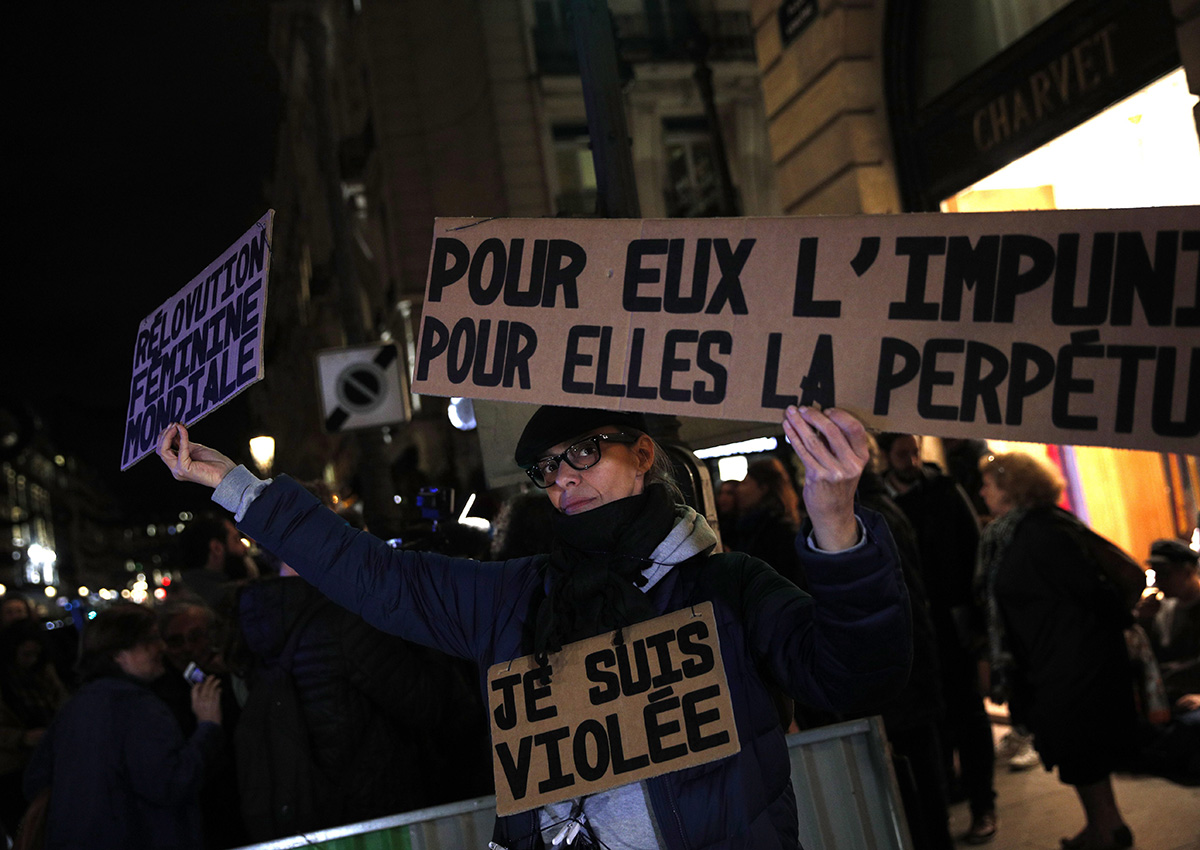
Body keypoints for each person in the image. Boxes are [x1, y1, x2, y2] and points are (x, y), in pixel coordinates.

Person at [157, 403, 912, 850]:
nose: (564, 478)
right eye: (547, 469)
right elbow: (379, 577)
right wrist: (238, 489)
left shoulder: (728, 587)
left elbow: (856, 674)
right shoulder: (517, 598)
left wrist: (835, 523)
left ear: (642, 453)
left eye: (583, 452)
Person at [977, 452, 1137, 850]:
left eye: (988, 484)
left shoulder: (1041, 532)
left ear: (1011, 488)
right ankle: (1104, 825)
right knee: (1078, 750)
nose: (981, 492)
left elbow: (1095, 591)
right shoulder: (1018, 532)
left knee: (1081, 748)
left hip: (1072, 662)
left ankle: (1107, 829)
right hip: (1057, 658)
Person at [877, 432, 998, 843]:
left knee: (968, 715)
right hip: (915, 628)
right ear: (885, 456)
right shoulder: (882, 502)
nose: (911, 461)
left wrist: (976, 620)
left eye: (915, 452)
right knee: (934, 724)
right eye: (902, 454)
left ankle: (983, 805)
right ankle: (951, 800)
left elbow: (971, 551)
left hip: (950, 622)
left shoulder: (944, 491)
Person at [24, 602, 224, 850]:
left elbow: (36, 780)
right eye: (149, 640)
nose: (161, 648)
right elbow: (171, 783)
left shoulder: (76, 706)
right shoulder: (137, 707)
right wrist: (207, 727)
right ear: (117, 654)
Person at [0, 620, 68, 836]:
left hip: (47, 761)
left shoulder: (44, 674)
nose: (32, 660)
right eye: (26, 654)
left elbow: (62, 704)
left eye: (35, 654)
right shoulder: (7, 681)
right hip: (12, 769)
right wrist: (22, 738)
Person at [730, 457, 806, 587]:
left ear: (763, 488)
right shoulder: (754, 524)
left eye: (746, 483)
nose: (738, 489)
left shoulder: (776, 529)